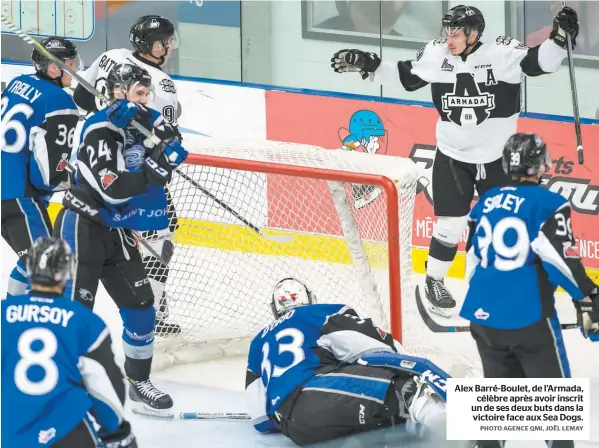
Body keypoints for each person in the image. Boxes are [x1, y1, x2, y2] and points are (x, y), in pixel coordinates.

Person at [330, 5, 579, 318]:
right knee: (451, 224)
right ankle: (434, 280)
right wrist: (368, 64)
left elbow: (538, 62)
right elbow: (406, 76)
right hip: (452, 156)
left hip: (497, 159)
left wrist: (558, 39)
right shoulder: (437, 54)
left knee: (498, 223)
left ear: (474, 34)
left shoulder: (501, 52)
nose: (449, 38)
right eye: (447, 31)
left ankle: (489, 283)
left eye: (457, 33)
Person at [54, 62, 188, 417]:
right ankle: (60, 389)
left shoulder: (140, 123)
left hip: (117, 231)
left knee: (142, 309)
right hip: (81, 228)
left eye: (148, 93)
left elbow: (167, 146)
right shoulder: (100, 128)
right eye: (139, 93)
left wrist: (168, 148)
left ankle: (138, 384)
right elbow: (113, 189)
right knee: (74, 316)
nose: (146, 100)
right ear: (117, 93)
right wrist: (154, 171)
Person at [462, 133, 599, 448]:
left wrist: (491, 300)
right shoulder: (547, 202)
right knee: (555, 414)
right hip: (529, 319)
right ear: (539, 164)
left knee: (496, 411)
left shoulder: (485, 201)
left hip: (482, 318)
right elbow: (559, 259)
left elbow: (472, 260)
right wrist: (588, 297)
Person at [245, 277, 457, 447]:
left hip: (298, 431)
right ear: (309, 298)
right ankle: (471, 436)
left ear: (274, 308)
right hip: (316, 393)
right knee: (406, 388)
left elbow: (259, 419)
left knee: (392, 417)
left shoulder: (257, 343)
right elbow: (376, 346)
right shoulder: (318, 314)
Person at [73, 14, 182, 334]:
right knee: (163, 229)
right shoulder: (161, 86)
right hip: (127, 170)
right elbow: (163, 137)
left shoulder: (111, 57)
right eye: (165, 40)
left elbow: (81, 98)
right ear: (150, 44)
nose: (170, 46)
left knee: (96, 235)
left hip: (91, 161)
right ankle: (154, 312)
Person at [1, 236, 136, 448]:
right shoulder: (85, 322)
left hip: (8, 433)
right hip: (65, 432)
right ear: (67, 272)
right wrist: (116, 429)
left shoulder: (3, 314)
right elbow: (105, 387)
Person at [1, 37, 80, 298]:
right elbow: (46, 175)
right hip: (18, 197)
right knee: (50, 265)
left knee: (30, 262)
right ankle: (26, 329)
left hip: (5, 187)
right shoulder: (60, 102)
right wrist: (72, 179)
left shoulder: (17, 82)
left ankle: (8, 321)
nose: (76, 69)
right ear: (54, 68)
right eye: (70, 63)